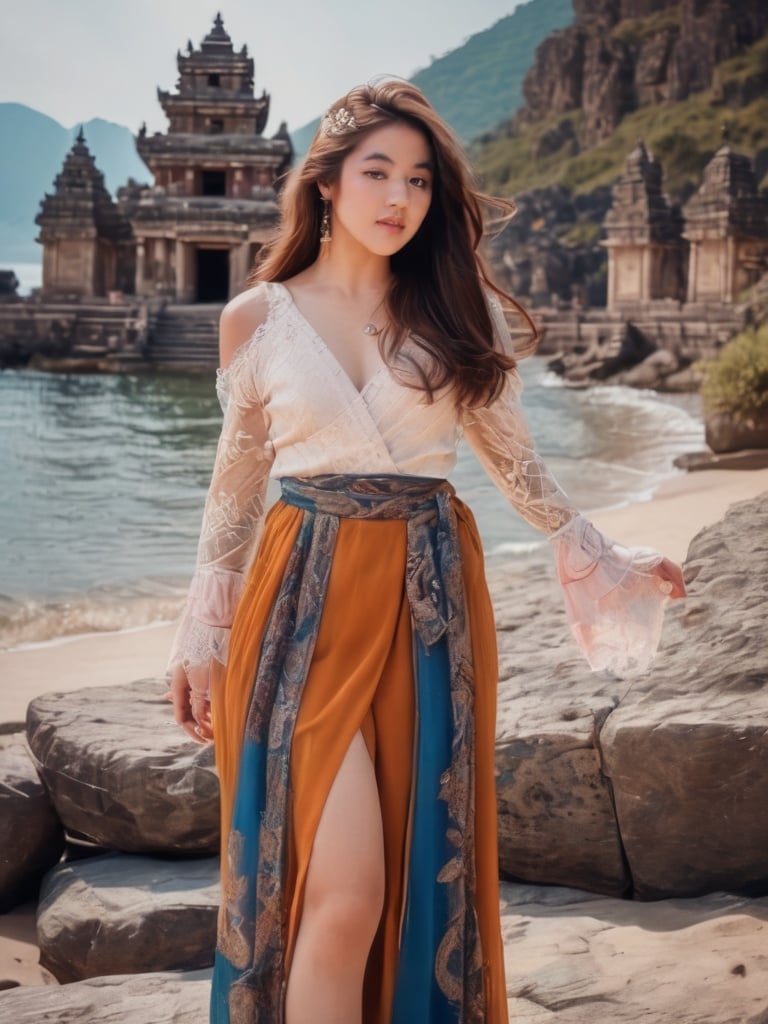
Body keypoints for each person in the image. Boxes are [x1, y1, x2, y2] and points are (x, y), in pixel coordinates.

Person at [167, 79, 685, 1024]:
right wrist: (200, 635)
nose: (399, 197)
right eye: (376, 172)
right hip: (296, 609)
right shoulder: (257, 317)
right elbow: (233, 492)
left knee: (409, 887)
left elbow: (521, 469)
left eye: (418, 180)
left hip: (427, 603)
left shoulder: (461, 315)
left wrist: (608, 555)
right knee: (344, 892)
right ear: (326, 184)